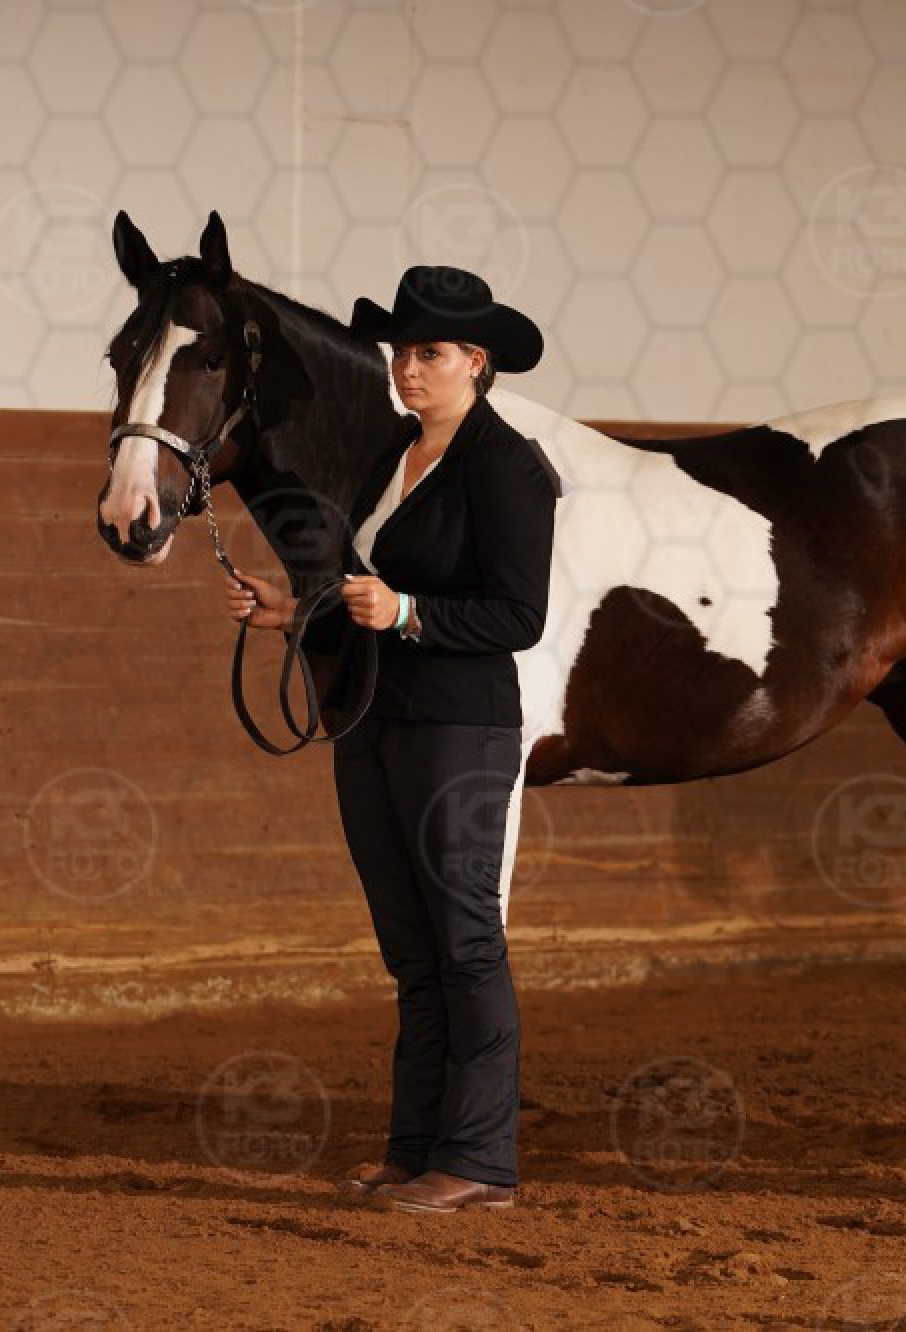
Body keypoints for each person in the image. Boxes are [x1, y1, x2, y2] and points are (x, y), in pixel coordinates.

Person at [223, 265, 561, 1212]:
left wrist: (411, 612)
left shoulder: (508, 466)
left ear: (476, 362)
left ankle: (480, 1160)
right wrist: (294, 609)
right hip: (373, 718)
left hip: (459, 726)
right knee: (411, 950)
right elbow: (357, 586)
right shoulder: (391, 458)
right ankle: (414, 1151)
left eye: (430, 353)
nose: (407, 369)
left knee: (465, 942)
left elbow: (519, 614)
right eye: (402, 352)